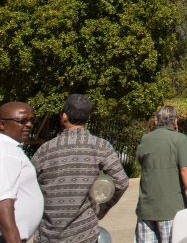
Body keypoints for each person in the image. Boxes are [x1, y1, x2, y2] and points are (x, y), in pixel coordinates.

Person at [31, 94, 128, 243]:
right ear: (87, 118)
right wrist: (103, 209)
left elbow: (28, 185)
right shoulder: (100, 146)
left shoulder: (45, 150)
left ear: (64, 116)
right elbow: (121, 181)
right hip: (84, 234)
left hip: (48, 235)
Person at [134, 105, 187, 243]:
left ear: (156, 120)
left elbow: (142, 161)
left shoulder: (146, 139)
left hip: (146, 207)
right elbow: (186, 170)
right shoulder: (180, 139)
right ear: (175, 121)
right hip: (171, 208)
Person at [0, 102, 43, 243]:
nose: (29, 125)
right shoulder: (6, 151)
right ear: (2, 124)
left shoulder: (11, 148)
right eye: (22, 121)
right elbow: (3, 201)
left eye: (32, 120)